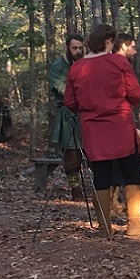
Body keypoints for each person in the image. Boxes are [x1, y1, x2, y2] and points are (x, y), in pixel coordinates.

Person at [64, 24, 140, 237]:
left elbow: (69, 101)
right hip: (120, 127)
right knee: (132, 172)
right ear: (107, 42)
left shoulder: (76, 69)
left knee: (101, 176)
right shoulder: (118, 62)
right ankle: (134, 224)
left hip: (93, 130)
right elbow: (135, 95)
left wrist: (88, 111)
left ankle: (105, 228)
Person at [49, 33, 86, 201]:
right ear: (67, 48)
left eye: (80, 48)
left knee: (92, 152)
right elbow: (59, 87)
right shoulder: (58, 66)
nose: (77, 51)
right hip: (67, 114)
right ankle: (75, 190)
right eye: (74, 48)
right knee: (71, 155)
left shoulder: (85, 64)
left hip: (85, 113)